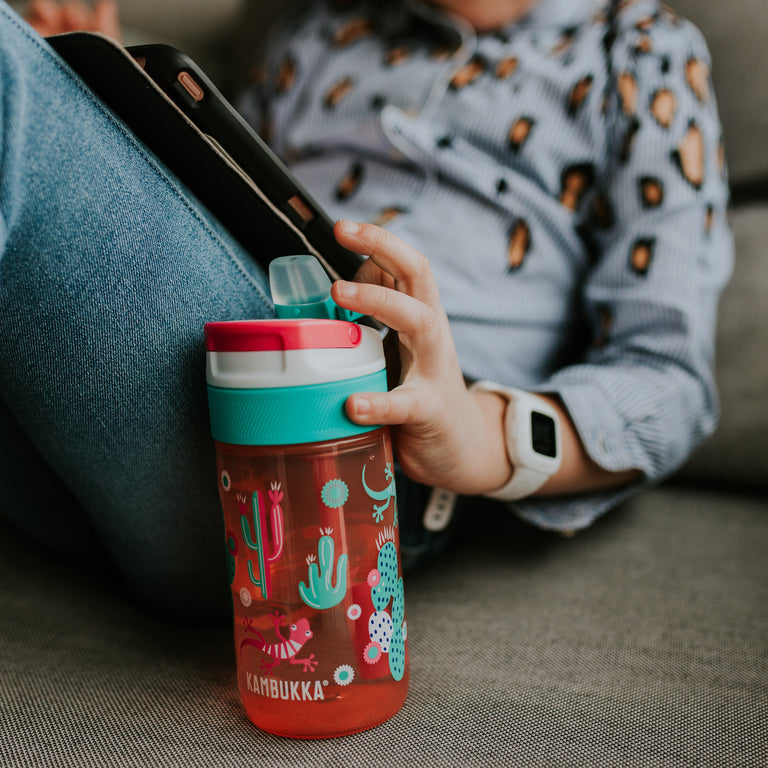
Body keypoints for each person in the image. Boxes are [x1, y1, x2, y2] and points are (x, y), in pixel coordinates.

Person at [0, 0, 732, 618]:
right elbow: (214, 208)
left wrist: (481, 435)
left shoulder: (640, 51)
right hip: (102, 439)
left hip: (342, 458)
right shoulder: (316, 24)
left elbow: (668, 377)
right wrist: (106, 119)